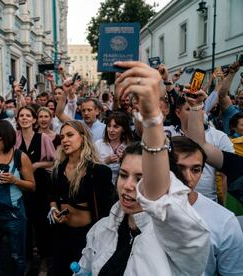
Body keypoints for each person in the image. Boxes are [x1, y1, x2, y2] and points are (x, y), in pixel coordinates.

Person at [77, 61, 210, 276]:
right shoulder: (101, 229)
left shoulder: (177, 239)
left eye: (141, 178)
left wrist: (152, 120)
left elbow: (162, 206)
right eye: (123, 174)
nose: (129, 186)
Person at [48, 120, 115, 276]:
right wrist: (53, 209)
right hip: (61, 235)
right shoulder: (58, 169)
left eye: (70, 135)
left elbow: (107, 210)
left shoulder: (99, 171)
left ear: (83, 138)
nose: (65, 140)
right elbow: (51, 195)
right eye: (62, 136)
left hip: (87, 238)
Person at [171, 136, 243, 276]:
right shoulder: (139, 207)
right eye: (180, 168)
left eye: (196, 170)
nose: (188, 178)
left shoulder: (224, 222)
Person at [0, 120, 35, 276]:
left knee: (17, 255)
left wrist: (15, 180)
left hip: (14, 213)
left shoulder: (21, 157)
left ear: (8, 138)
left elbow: (32, 186)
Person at [14, 105, 56, 274]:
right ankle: (28, 260)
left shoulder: (43, 138)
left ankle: (45, 261)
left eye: (27, 115)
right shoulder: (15, 138)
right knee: (24, 223)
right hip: (21, 184)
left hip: (40, 184)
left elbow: (53, 161)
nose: (24, 118)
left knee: (41, 224)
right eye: (21, 115)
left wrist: (37, 164)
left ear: (33, 119)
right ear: (17, 119)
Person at [94, 112, 133, 185]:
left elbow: (133, 170)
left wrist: (123, 160)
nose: (111, 130)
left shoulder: (129, 147)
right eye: (109, 126)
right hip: (100, 185)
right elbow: (90, 167)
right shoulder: (98, 144)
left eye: (116, 127)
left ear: (123, 129)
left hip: (121, 186)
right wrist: (105, 161)